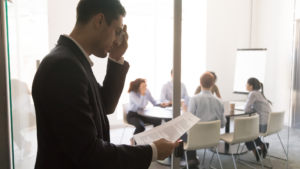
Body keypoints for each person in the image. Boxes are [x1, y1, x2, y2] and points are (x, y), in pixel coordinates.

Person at [32, 0, 179, 168]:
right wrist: (152, 151)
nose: (117, 41)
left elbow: (105, 105)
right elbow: (87, 152)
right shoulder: (64, 66)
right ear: (99, 21)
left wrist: (116, 57)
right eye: (117, 31)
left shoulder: (74, 60)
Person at [182, 72, 226, 169]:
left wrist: (185, 110)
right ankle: (191, 159)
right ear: (213, 84)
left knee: (178, 132)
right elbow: (222, 124)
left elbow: (188, 121)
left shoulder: (194, 99)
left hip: (195, 138)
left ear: (200, 83)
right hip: (212, 139)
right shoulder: (220, 101)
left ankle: (189, 159)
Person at [127, 78, 168, 145]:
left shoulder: (147, 91)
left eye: (146, 85)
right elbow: (141, 105)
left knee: (157, 120)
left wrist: (160, 104)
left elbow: (154, 102)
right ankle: (133, 140)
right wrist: (142, 92)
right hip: (132, 115)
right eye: (143, 86)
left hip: (142, 114)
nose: (145, 87)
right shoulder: (133, 93)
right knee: (141, 127)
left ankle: (154, 139)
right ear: (139, 87)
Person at [244, 77, 271, 161]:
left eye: (247, 84)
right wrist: (255, 110)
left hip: (263, 126)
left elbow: (246, 109)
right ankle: (262, 146)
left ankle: (256, 151)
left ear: (251, 86)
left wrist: (254, 110)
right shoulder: (259, 93)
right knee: (250, 130)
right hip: (269, 124)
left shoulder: (252, 94)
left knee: (244, 133)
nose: (245, 85)